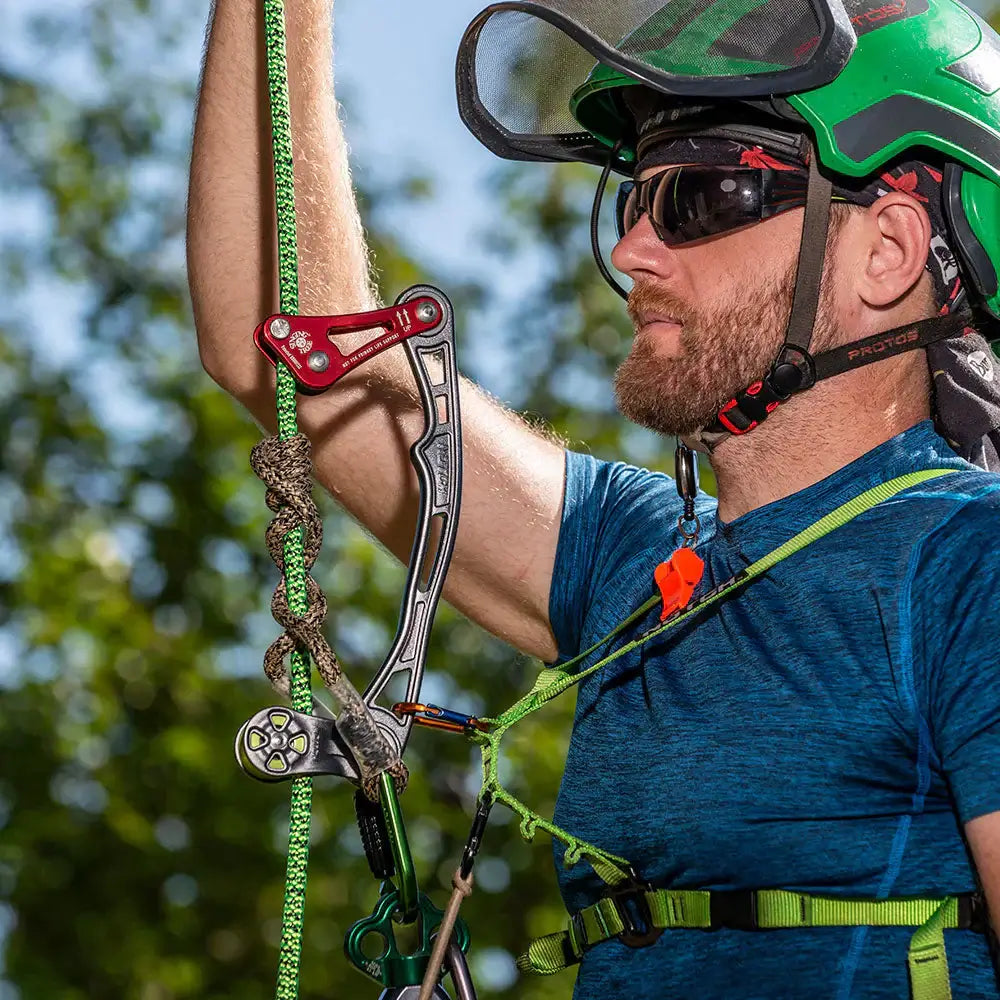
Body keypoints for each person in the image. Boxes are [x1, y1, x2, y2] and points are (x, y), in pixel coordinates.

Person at [187, 0, 1000, 996]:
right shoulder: (632, 559)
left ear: (889, 250)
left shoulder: (972, 564)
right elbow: (288, 344)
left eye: (706, 195)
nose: (635, 252)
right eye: (633, 202)